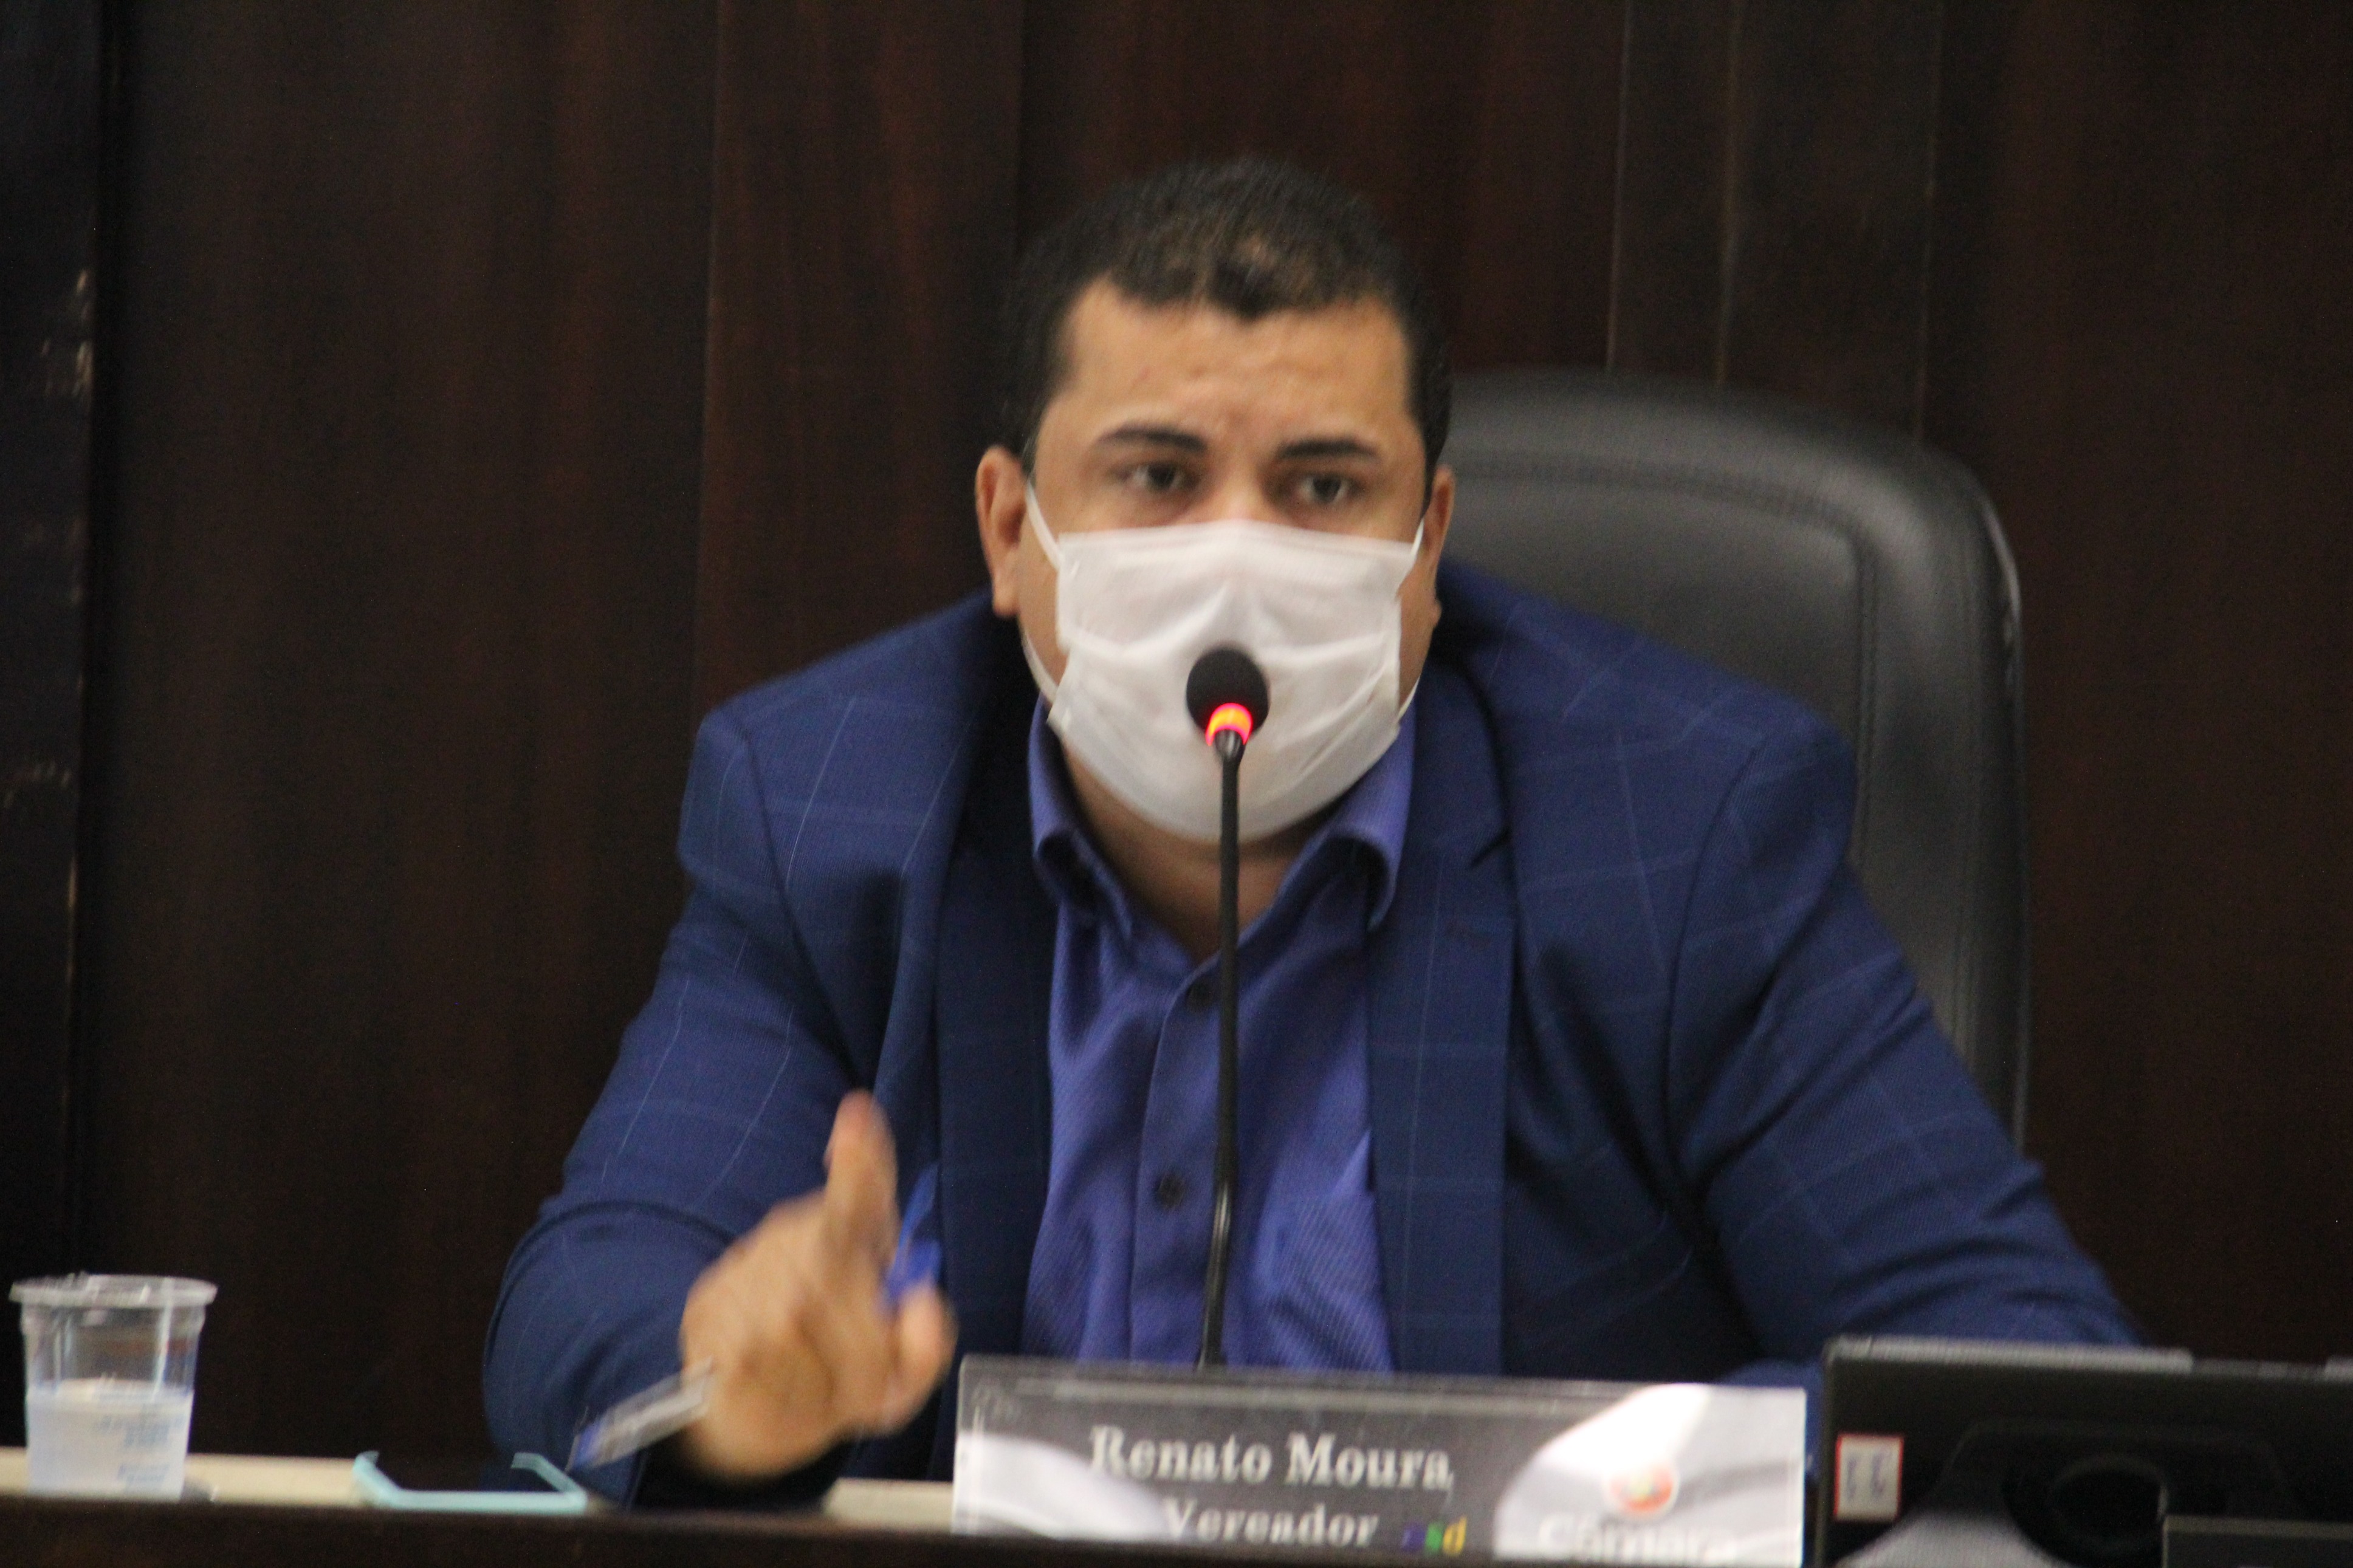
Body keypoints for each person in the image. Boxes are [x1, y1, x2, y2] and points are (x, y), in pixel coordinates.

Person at [485, 159, 2134, 1503]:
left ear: (1430, 546)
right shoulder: (834, 801)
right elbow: (583, 1305)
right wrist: (725, 1386)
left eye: (1326, 488)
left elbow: (2021, 1365)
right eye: (1157, 475)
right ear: (1010, 529)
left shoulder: (1679, 828)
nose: (1240, 559)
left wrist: (1588, 1487)